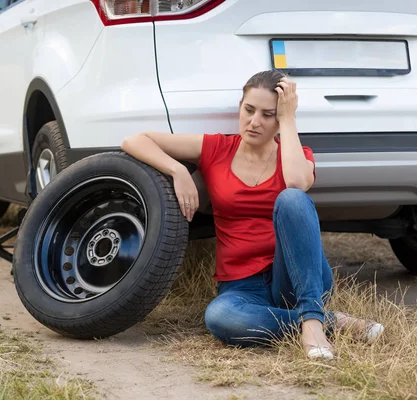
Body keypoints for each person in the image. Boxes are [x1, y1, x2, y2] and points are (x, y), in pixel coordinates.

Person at [121, 70, 383, 359]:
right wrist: (177, 170)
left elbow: (297, 183)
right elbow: (135, 140)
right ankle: (331, 322)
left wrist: (288, 118)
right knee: (221, 317)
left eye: (268, 115)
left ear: (280, 118)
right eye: (249, 110)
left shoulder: (297, 154)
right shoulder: (216, 148)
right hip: (241, 285)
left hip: (294, 279)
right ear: (240, 108)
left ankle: (311, 317)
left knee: (292, 199)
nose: (254, 122)